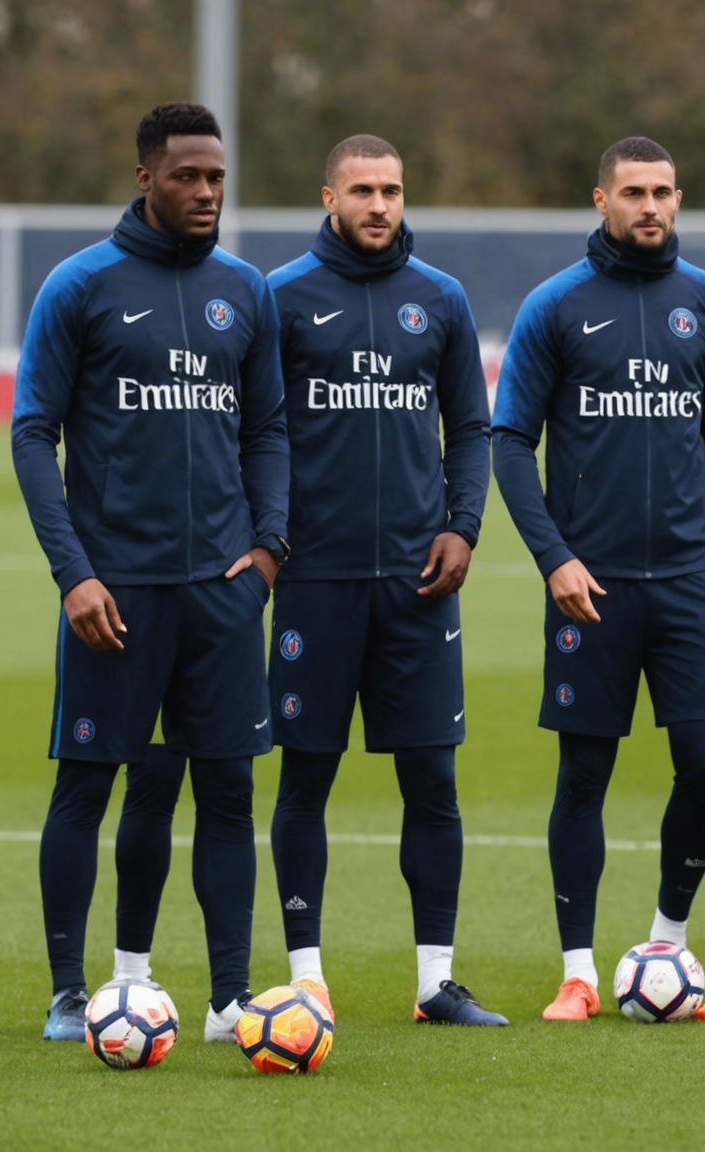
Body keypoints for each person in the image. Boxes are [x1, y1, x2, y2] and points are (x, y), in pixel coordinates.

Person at [11, 102, 287, 1043]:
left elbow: (267, 431)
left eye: (216, 176)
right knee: (87, 786)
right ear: (145, 178)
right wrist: (73, 573)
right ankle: (64, 990)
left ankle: (227, 1000)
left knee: (228, 791)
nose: (206, 191)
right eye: (187, 176)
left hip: (221, 595)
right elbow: (30, 433)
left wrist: (266, 553)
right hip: (113, 596)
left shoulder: (246, 290)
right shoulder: (80, 286)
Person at [492, 136, 705, 1022]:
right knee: (584, 776)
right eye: (634, 192)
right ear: (599, 200)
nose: (651, 206)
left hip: (689, 579)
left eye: (664, 192)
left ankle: (666, 947)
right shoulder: (557, 306)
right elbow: (507, 444)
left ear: (679, 199)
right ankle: (577, 973)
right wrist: (554, 558)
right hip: (592, 583)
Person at [262, 134, 502, 1025]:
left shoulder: (438, 300)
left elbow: (470, 430)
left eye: (392, 190)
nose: (378, 204)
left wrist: (462, 527)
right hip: (315, 583)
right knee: (304, 782)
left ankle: (435, 981)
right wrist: (272, 538)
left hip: (417, 586)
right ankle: (307, 974)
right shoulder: (280, 298)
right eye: (361, 190)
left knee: (432, 783)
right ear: (329, 196)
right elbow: (259, 432)